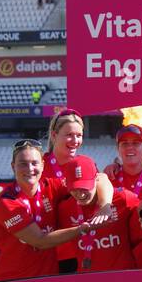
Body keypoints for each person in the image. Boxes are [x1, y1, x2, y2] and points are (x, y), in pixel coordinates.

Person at [0, 142, 112, 282]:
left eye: (34, 163)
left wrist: (105, 206)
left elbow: (100, 178)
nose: (30, 169)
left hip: (45, 279)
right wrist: (83, 228)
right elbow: (40, 241)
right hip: (4, 281)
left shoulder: (51, 186)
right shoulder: (6, 202)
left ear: (43, 165)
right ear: (13, 166)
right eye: (23, 164)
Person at [43, 108, 115, 272]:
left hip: (80, 249)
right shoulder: (39, 166)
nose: (75, 140)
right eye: (69, 135)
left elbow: (101, 179)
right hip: (49, 251)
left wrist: (105, 206)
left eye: (79, 135)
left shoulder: (83, 164)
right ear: (54, 135)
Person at [58, 155, 139, 273]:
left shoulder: (123, 199)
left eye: (85, 187)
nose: (80, 194)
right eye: (75, 188)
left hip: (123, 281)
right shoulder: (64, 208)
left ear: (96, 179)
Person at [105, 123, 142, 198]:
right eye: (125, 144)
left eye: (135, 143)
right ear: (118, 149)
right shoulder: (108, 178)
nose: (129, 147)